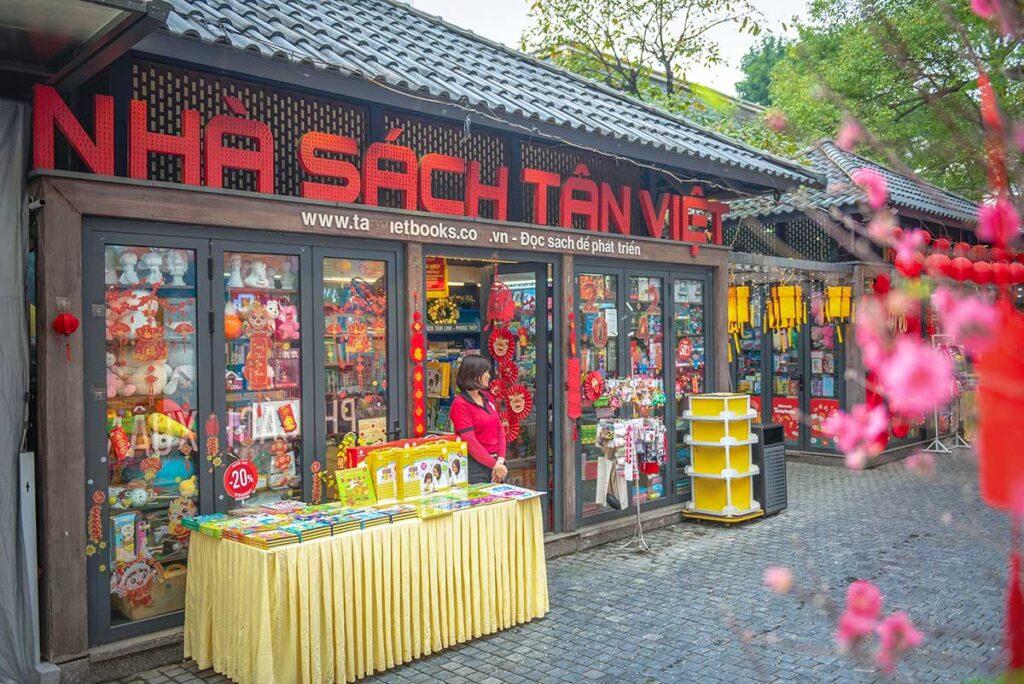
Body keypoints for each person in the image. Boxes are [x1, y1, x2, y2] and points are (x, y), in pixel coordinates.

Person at [449, 355, 507, 484]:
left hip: (497, 463)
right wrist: (494, 465)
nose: (489, 376)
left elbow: (499, 429)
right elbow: (470, 441)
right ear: (474, 375)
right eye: (486, 372)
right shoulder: (460, 404)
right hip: (475, 467)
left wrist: (500, 461)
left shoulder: (487, 397)